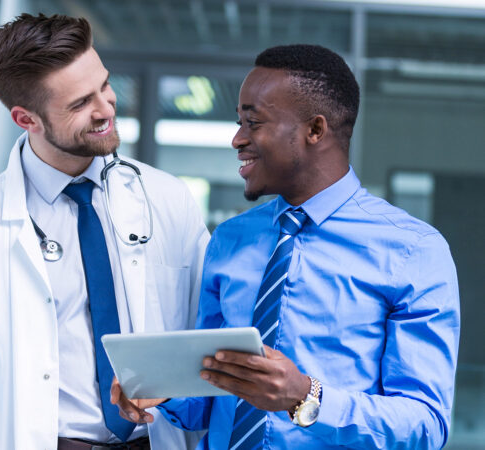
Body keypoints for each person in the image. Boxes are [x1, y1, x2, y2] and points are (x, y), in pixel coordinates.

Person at [113, 44, 460, 449]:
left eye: (253, 122)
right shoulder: (230, 239)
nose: (237, 139)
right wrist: (162, 390)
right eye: (238, 121)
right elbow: (208, 398)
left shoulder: (413, 250)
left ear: (315, 130)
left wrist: (304, 397)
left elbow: (426, 426)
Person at [0, 12, 209, 450]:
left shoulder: (168, 200)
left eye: (104, 86)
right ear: (26, 119)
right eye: (79, 104)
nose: (106, 108)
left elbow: (205, 335)